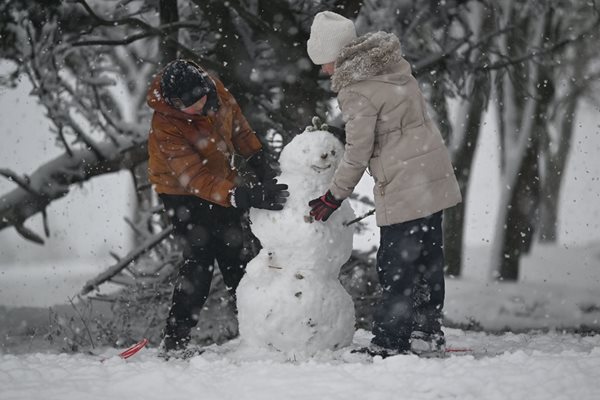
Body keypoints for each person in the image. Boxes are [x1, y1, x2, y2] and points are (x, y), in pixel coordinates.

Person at [306, 11, 462, 357]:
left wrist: (333, 196)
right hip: (430, 172)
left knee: (397, 265)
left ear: (334, 55)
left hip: (405, 181)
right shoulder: (389, 65)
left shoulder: (354, 88)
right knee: (427, 259)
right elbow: (391, 118)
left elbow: (359, 151)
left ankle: (391, 342)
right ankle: (427, 331)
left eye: (323, 62)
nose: (323, 71)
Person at [146, 59, 289, 355]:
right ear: (175, 102)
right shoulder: (166, 123)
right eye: (191, 107)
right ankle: (176, 340)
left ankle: (260, 334)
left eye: (202, 101)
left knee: (237, 256)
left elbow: (238, 127)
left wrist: (258, 159)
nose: (199, 109)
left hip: (220, 181)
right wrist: (240, 195)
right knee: (199, 260)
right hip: (180, 191)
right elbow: (194, 178)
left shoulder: (215, 90)